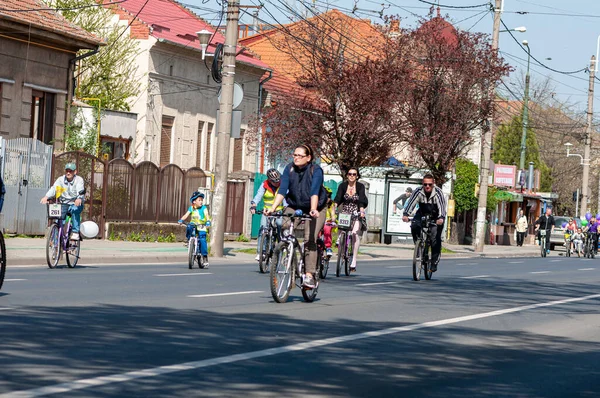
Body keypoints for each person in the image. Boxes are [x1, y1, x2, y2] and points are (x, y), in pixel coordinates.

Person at [265, 144, 328, 289]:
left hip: (316, 206)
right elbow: (283, 189)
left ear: (308, 158)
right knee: (285, 226)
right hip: (295, 205)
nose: (296, 158)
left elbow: (314, 190)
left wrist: (313, 209)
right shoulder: (289, 168)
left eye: (300, 156)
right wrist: (272, 208)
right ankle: (289, 255)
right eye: (294, 155)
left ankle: (310, 275)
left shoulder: (315, 170)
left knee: (309, 238)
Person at [402, 174, 447, 272]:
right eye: (425, 184)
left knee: (435, 236)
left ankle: (434, 261)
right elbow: (411, 203)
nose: (427, 186)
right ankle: (419, 246)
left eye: (430, 184)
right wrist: (406, 214)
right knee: (414, 225)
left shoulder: (438, 193)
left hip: (436, 216)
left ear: (433, 184)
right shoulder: (418, 191)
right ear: (422, 184)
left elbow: (442, 208)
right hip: (422, 213)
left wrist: (441, 218)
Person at [333, 167, 368, 271]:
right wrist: (334, 207)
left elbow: (361, 199)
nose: (352, 176)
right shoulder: (343, 186)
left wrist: (361, 211)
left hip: (356, 212)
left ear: (357, 176)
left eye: (354, 174)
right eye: (350, 174)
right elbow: (338, 198)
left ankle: (354, 260)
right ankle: (340, 245)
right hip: (345, 212)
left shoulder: (360, 186)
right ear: (347, 175)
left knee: (354, 233)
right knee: (341, 228)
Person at [40, 162, 85, 240]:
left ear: (75, 172)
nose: (68, 173)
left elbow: (80, 190)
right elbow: (54, 188)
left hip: (75, 203)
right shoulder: (60, 179)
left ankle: (75, 232)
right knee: (59, 220)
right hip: (64, 203)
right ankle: (55, 241)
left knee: (74, 210)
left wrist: (79, 198)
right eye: (67, 171)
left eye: (70, 171)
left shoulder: (79, 180)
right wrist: (46, 196)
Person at [250, 169, 286, 261]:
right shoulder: (264, 185)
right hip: (267, 212)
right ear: (269, 180)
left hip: (279, 211)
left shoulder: (283, 184)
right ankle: (260, 252)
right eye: (274, 181)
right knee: (263, 229)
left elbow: (285, 198)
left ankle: (282, 246)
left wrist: (286, 208)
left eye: (278, 180)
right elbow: (258, 196)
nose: (277, 182)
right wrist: (253, 206)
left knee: (280, 226)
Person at [179, 191, 211, 265]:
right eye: (199, 200)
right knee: (189, 226)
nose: (201, 202)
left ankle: (205, 257)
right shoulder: (191, 208)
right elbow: (186, 215)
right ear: (194, 201)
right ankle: (188, 239)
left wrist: (208, 221)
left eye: (201, 200)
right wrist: (181, 220)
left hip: (202, 225)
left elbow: (207, 216)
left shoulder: (204, 208)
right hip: (194, 225)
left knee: (202, 239)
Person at [322, 187, 336, 257]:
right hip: (320, 222)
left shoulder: (331, 205)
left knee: (327, 230)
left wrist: (333, 220)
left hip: (327, 222)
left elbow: (333, 214)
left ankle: (328, 247)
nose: (327, 199)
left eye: (329, 197)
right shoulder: (318, 203)